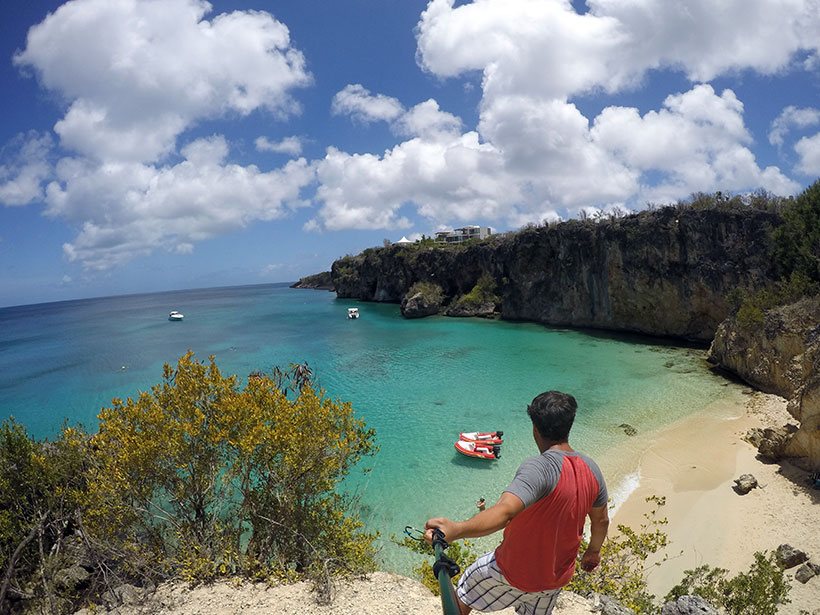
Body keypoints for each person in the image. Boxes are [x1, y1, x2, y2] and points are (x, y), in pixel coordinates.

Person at [426, 391, 609, 615]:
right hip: (553, 581)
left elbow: (505, 512)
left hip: (509, 572)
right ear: (569, 425)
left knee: (462, 597)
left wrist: (456, 530)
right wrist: (592, 552)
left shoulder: (539, 467)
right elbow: (601, 520)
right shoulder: (592, 469)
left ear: (535, 428)